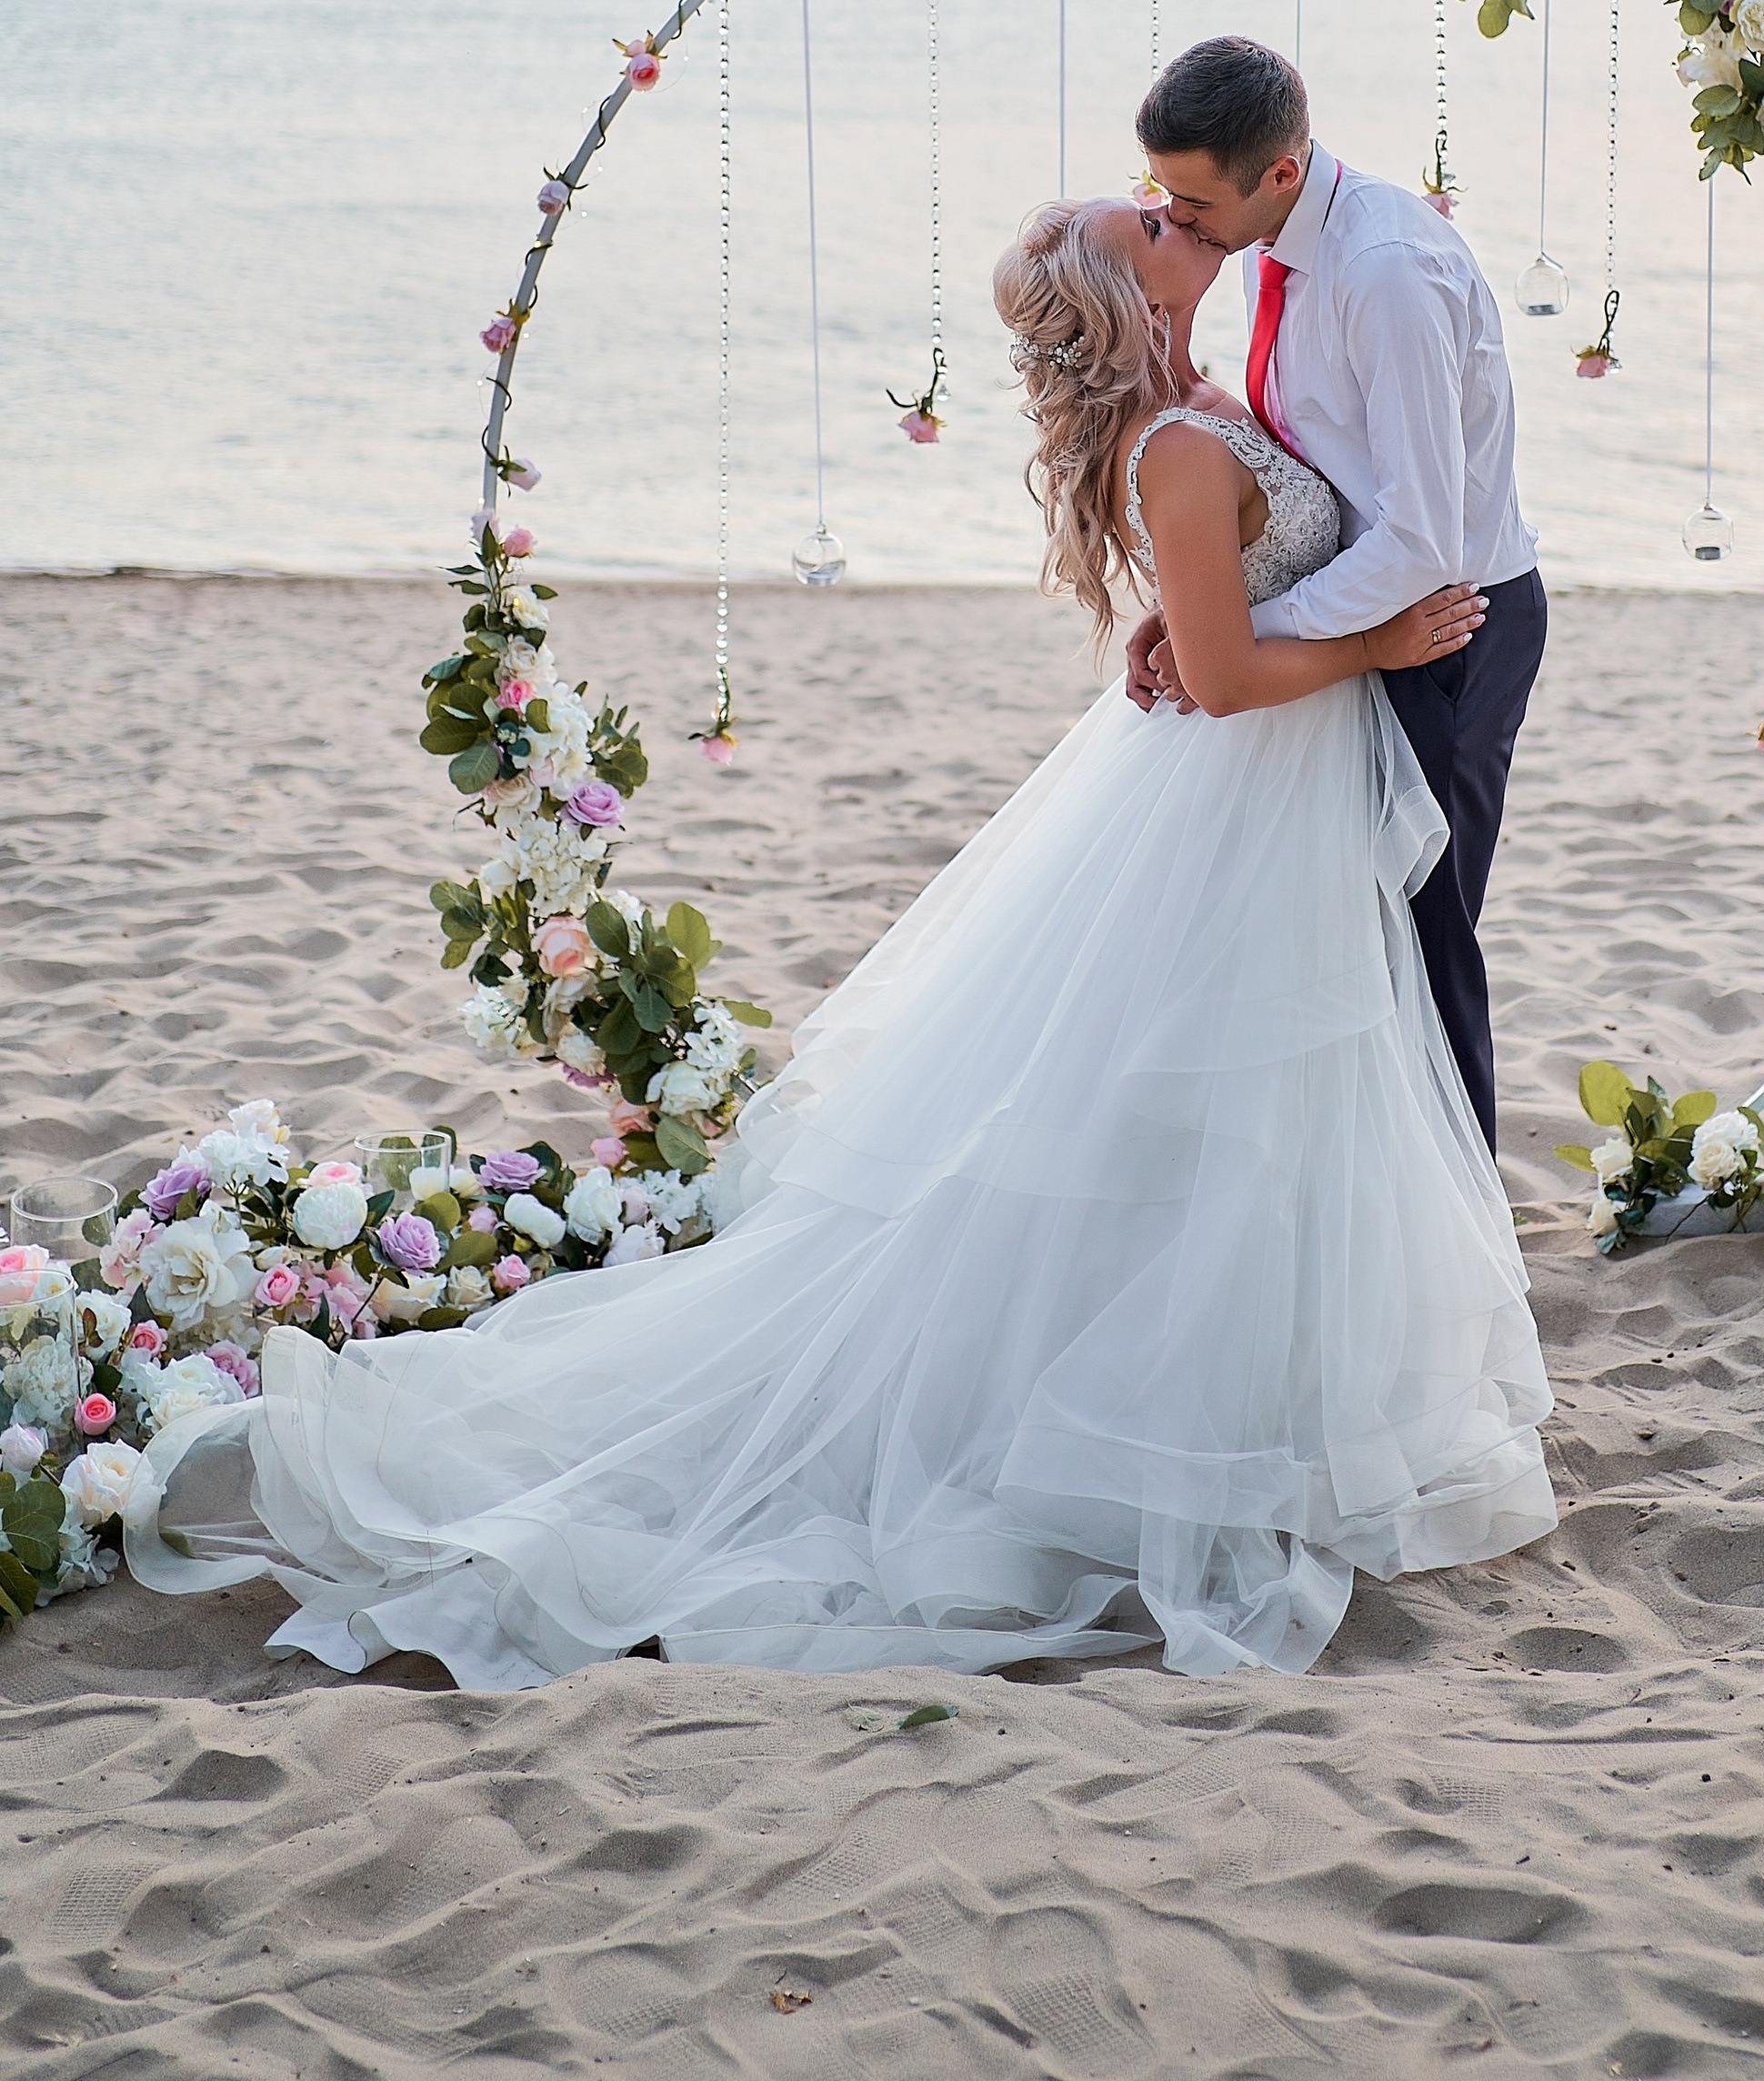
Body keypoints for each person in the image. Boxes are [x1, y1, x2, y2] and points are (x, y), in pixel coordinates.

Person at [125, 190, 1556, 1686]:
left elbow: (1233, 595)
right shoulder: (1183, 447)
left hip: (1274, 803)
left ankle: (1275, 1395)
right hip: (1252, 787)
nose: (1161, 207)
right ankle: (1170, 1429)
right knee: (1215, 1101)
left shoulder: (1218, 396)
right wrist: (1372, 645)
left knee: (1259, 1115)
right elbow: (1218, 669)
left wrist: (1270, 609)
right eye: (1139, 218)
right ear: (1133, 296)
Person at [1129, 35, 1544, 1151]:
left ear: (1277, 169)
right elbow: (1308, 465)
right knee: (1341, 936)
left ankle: (1463, 1221)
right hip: (1360, 611)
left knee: (1424, 933)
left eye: (1189, 199)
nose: (1174, 220)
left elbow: (1420, 535)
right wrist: (1199, 608)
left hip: (1448, 624)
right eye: (1158, 195)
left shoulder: (1383, 272)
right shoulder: (1270, 242)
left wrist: (1244, 633)